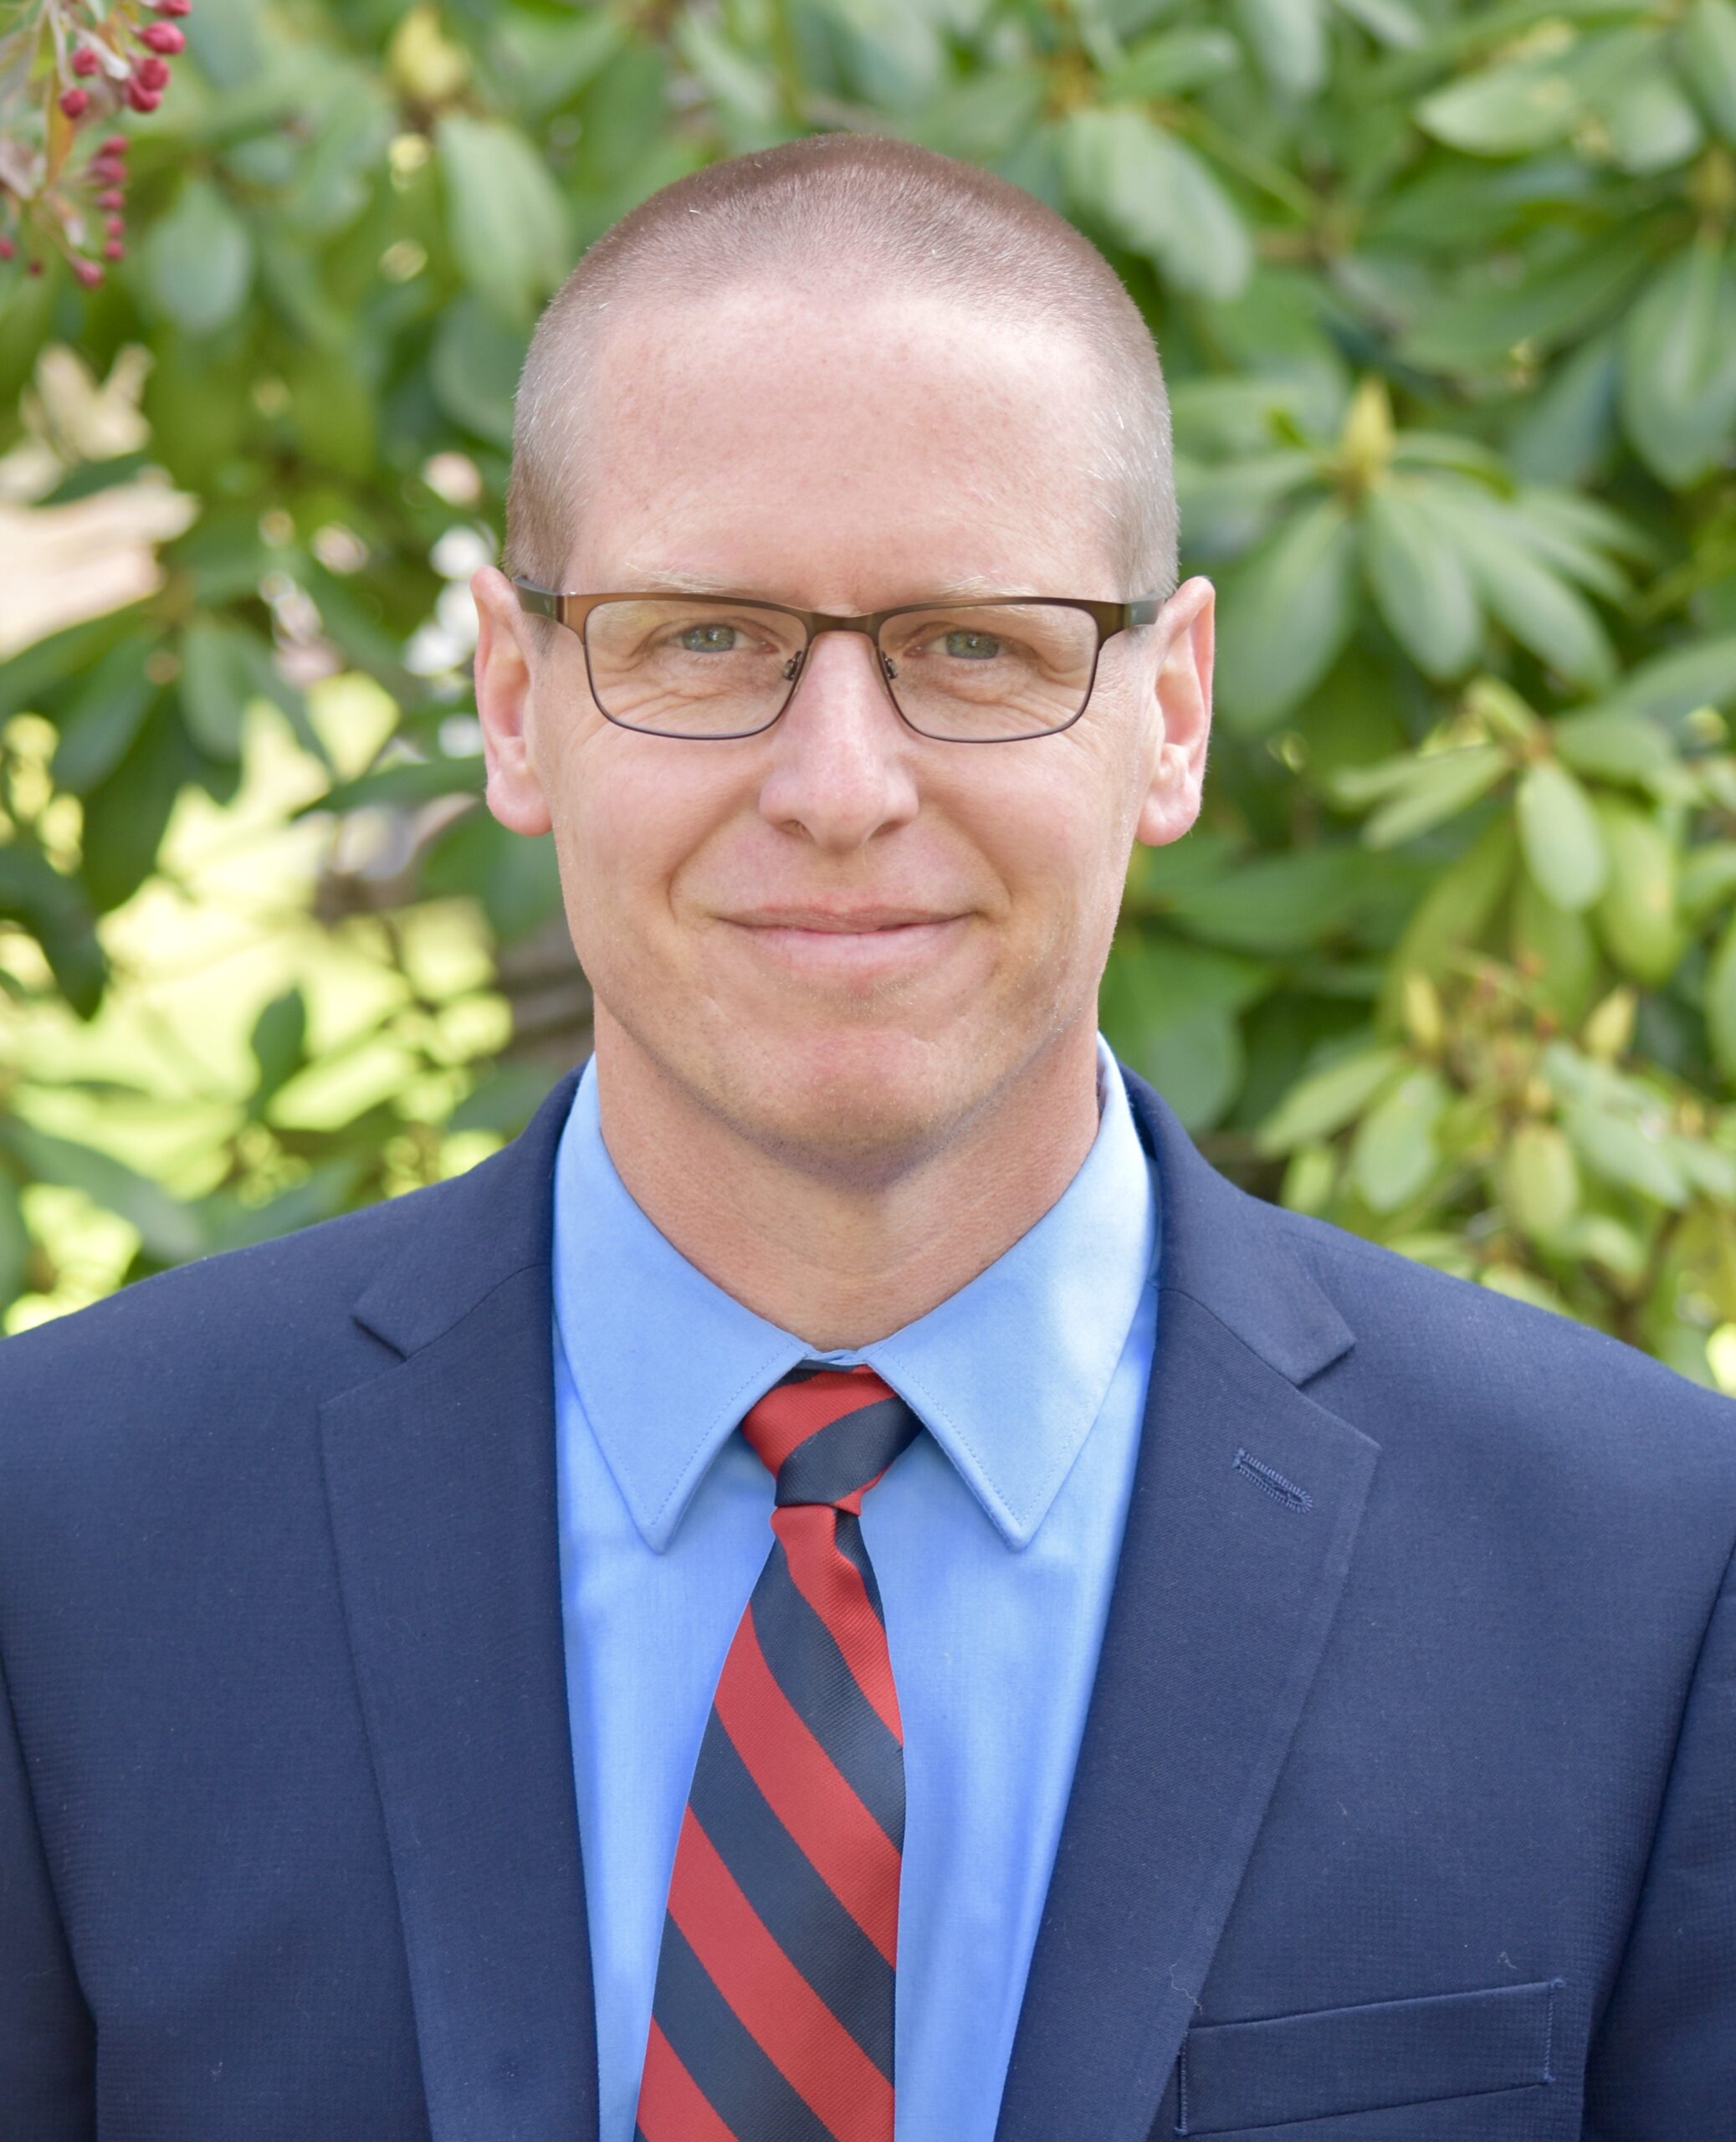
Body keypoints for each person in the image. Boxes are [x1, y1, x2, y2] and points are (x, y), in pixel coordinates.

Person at [2, 133, 1733, 2142]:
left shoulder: (1646, 1572)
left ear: (1168, 714)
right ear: (512, 696)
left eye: (974, 643)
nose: (840, 785)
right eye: (706, 638)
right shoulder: (58, 1539)